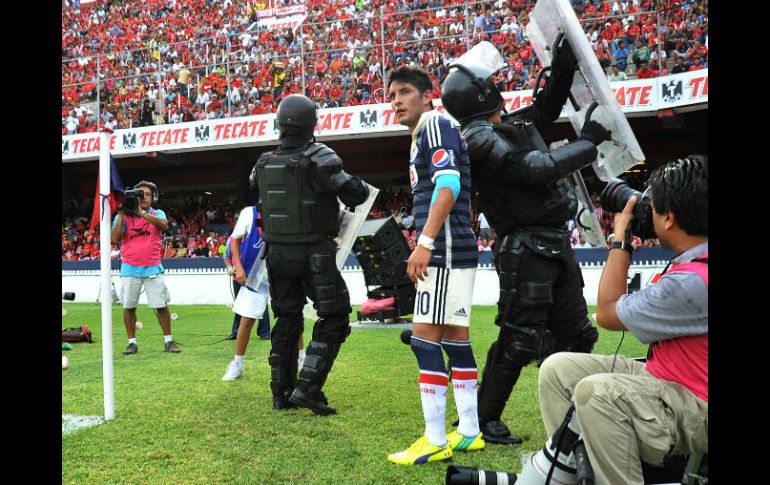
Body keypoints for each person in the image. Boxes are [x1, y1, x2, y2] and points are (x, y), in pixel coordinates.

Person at [441, 40, 610, 444]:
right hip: (527, 248)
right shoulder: (478, 137)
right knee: (519, 338)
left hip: (552, 243)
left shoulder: (499, 126)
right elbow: (536, 169)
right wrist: (588, 143)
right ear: (482, 94)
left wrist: (563, 68)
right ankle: (482, 419)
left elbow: (544, 111)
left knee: (579, 335)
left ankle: (582, 414)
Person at [538, 155, 708, 484]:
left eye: (652, 207)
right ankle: (578, 473)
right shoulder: (693, 263)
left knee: (597, 392)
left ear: (669, 219)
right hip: (670, 378)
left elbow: (607, 313)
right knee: (558, 370)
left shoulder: (692, 281)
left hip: (697, 402)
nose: (648, 213)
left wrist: (621, 240)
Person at [249, 94, 370, 415]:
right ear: (311, 125)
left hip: (275, 254)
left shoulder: (262, 162)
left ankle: (281, 393)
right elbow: (354, 192)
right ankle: (308, 387)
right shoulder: (320, 157)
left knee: (286, 319)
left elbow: (254, 189)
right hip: (314, 251)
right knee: (335, 316)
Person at [385, 66, 482, 465]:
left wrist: (423, 244)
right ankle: (470, 432)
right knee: (457, 339)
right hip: (455, 248)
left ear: (428, 95)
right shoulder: (429, 130)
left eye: (405, 92)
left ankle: (434, 439)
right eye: (392, 95)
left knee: (425, 340)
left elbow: (449, 186)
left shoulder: (434, 124)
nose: (396, 101)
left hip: (442, 251)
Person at [111, 181, 180, 355]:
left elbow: (163, 224)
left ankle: (169, 341)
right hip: (129, 268)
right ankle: (132, 343)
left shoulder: (157, 213)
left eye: (147, 194)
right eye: (140, 194)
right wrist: (121, 213)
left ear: (152, 197)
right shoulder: (124, 216)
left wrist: (141, 213)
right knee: (129, 307)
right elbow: (114, 238)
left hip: (152, 268)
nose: (143, 197)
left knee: (161, 305)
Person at [221, 205, 274, 381]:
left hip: (282, 270)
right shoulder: (248, 213)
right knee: (247, 320)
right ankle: (237, 364)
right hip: (255, 274)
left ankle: (302, 358)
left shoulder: (289, 205)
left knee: (291, 316)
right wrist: (238, 267)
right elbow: (234, 241)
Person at [222, 235, 271, 342]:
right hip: (238, 277)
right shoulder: (231, 239)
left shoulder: (256, 237)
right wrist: (229, 267)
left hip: (257, 276)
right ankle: (236, 332)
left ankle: (265, 332)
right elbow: (226, 256)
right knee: (239, 305)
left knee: (262, 304)